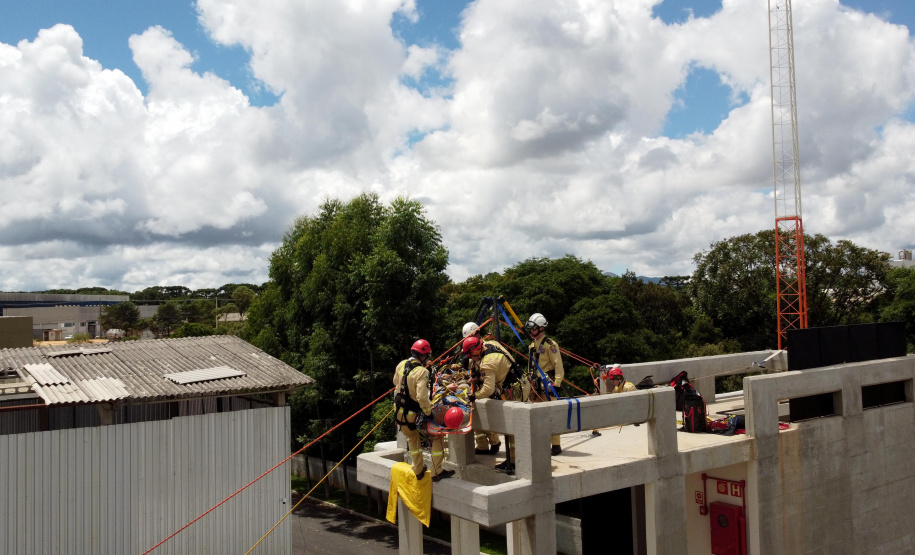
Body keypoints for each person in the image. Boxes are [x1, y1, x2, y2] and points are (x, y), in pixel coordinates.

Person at [393, 339, 454, 482]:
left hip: (399, 412)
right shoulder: (422, 372)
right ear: (423, 356)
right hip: (413, 414)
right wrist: (428, 412)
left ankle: (418, 469)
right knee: (437, 436)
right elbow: (422, 397)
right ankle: (436, 471)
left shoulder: (401, 364)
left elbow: (396, 382)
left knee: (412, 439)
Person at [462, 335, 518, 473]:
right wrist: (477, 377)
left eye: (471, 356)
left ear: (476, 351)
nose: (472, 359)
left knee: (511, 426)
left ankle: (514, 460)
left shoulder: (487, 362)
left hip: (513, 389)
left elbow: (488, 389)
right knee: (512, 426)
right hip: (516, 382)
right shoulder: (490, 344)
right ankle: (513, 458)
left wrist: (474, 396)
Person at [526, 313, 565, 456]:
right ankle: (540, 442)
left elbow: (558, 364)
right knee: (536, 415)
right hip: (534, 383)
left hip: (548, 383)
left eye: (534, 329)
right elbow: (530, 365)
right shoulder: (531, 345)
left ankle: (555, 444)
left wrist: (557, 383)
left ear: (541, 328)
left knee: (551, 415)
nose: (531, 332)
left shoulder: (550, 345)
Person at [461, 321, 502, 456]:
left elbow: (490, 372)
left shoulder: (486, 348)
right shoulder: (472, 350)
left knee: (488, 417)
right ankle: (482, 446)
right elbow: (473, 368)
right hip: (478, 389)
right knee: (477, 419)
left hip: (488, 388)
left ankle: (495, 442)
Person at [591, 364, 637, 436]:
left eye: (612, 380)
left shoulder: (628, 387)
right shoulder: (617, 388)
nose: (611, 382)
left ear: (618, 378)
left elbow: (631, 405)